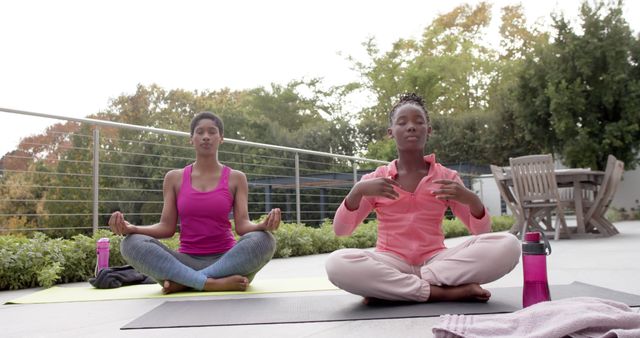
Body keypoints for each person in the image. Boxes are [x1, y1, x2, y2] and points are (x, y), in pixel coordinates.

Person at [325, 93, 520, 303]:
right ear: (391, 132)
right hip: (390, 261)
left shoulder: (446, 177)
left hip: (436, 261)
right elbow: (341, 231)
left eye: (419, 122)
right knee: (337, 263)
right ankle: (443, 292)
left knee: (509, 244)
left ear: (429, 130)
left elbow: (480, 232)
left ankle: (396, 289)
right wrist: (357, 191)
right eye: (402, 122)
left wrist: (471, 199)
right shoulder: (375, 179)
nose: (411, 127)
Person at [108, 111, 280, 294]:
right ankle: (209, 283)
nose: (206, 137)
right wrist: (132, 229)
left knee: (264, 240)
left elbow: (242, 225)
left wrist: (262, 225)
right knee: (130, 243)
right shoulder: (174, 178)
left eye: (212, 132)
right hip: (186, 261)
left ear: (221, 138)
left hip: (228, 261)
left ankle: (185, 282)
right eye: (200, 132)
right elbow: (166, 228)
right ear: (191, 139)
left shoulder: (236, 178)